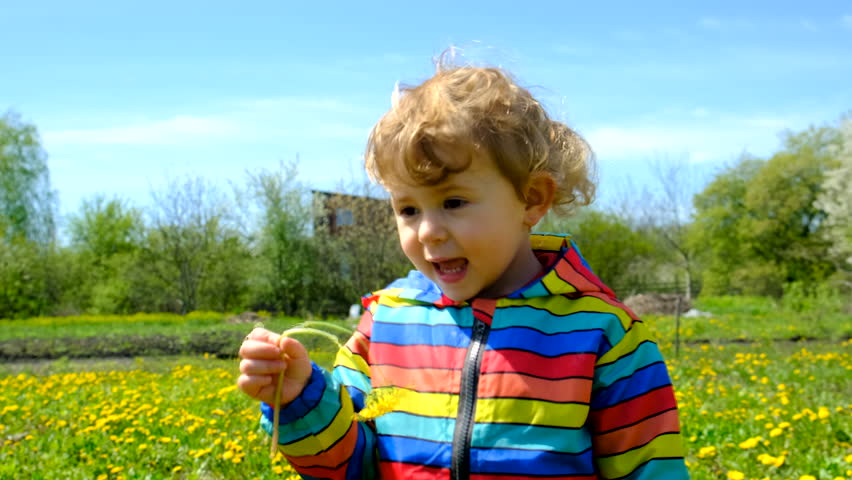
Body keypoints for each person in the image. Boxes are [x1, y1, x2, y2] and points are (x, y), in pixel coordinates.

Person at [238, 57, 690, 479]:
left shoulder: (602, 336)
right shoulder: (387, 324)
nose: (428, 231)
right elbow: (351, 463)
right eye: (408, 209)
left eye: (453, 202)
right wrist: (300, 399)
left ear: (531, 199)